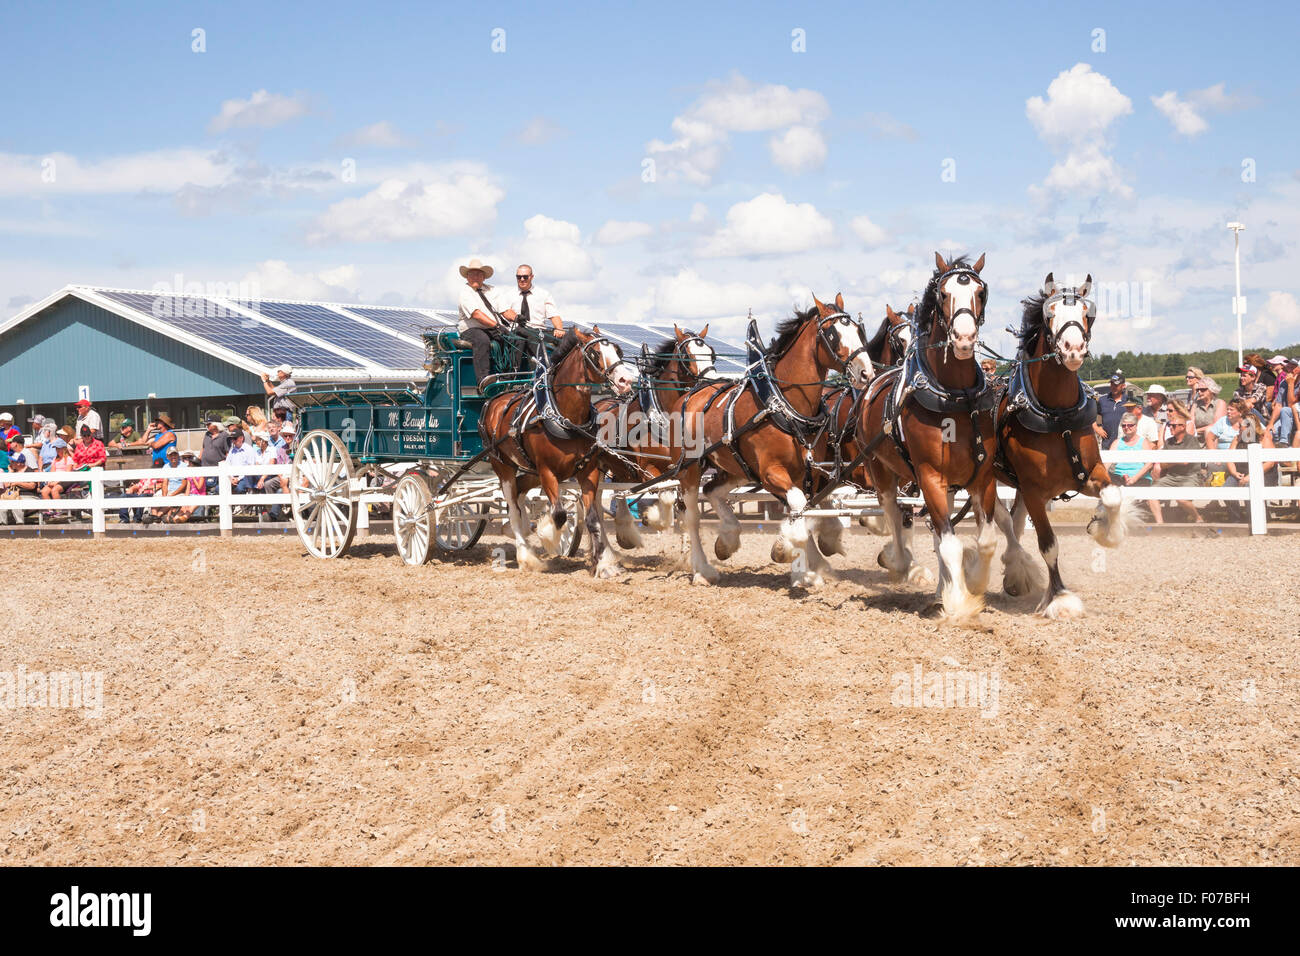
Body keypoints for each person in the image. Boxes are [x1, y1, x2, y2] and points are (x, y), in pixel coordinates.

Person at [456, 257, 512, 386]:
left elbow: (505, 310)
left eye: (478, 274)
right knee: (482, 340)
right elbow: (477, 314)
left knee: (512, 339)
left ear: (484, 277)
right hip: (471, 329)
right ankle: (484, 381)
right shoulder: (465, 292)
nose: (475, 277)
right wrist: (497, 325)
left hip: (492, 328)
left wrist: (518, 318)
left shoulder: (493, 290)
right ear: (467, 277)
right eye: (472, 274)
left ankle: (507, 377)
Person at [1150, 401, 1203, 524]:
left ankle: (1198, 518)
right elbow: (1163, 464)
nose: (1170, 428)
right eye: (1170, 426)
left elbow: (1186, 462)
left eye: (1174, 426)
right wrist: (1174, 461)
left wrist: (1170, 462)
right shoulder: (1169, 442)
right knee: (1151, 494)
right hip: (1172, 476)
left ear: (1182, 427)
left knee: (1182, 499)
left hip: (1190, 476)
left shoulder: (1191, 441)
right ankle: (1160, 524)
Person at [504, 264, 564, 338]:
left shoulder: (544, 294)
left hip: (538, 332)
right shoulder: (508, 295)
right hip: (516, 333)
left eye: (525, 277)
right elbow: (505, 313)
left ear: (531, 277)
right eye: (519, 277)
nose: (522, 279)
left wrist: (559, 329)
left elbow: (554, 315)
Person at [1108, 412, 1155, 488]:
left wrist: (1135, 478)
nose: (1126, 427)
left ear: (1136, 426)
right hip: (1118, 477)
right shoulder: (1116, 442)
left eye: (1130, 425)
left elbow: (1149, 464)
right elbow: (1107, 462)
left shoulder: (1143, 442)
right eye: (1124, 425)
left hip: (1140, 478)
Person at [249, 431, 285, 521]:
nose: (256, 442)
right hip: (260, 475)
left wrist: (262, 478)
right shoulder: (257, 452)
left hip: (269, 475)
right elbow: (256, 465)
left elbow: (271, 465)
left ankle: (270, 510)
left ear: (263, 441)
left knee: (267, 483)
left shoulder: (272, 450)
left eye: (257, 440)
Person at [0, 454, 39, 525]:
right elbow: (7, 485)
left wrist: (18, 483)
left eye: (12, 461)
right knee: (2, 503)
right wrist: (10, 472)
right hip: (12, 495)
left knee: (16, 502)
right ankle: (2, 523)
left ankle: (20, 523)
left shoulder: (29, 471)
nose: (10, 463)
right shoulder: (13, 471)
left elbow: (32, 486)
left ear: (19, 463)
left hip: (28, 496)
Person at [1094, 370, 1130, 447]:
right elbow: (1090, 416)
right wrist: (1097, 428)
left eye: (1116, 385)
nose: (1113, 387)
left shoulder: (1129, 401)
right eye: (1112, 384)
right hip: (1107, 444)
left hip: (1125, 444)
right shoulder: (1102, 400)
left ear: (1123, 386)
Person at [1191, 377, 1227, 448]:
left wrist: (1196, 431)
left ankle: (1212, 458)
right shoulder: (1195, 404)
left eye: (1203, 390)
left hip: (1215, 440)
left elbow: (1216, 425)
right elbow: (1191, 423)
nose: (1199, 392)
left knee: (1209, 430)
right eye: (1198, 390)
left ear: (1211, 390)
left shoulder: (1220, 403)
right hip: (1197, 440)